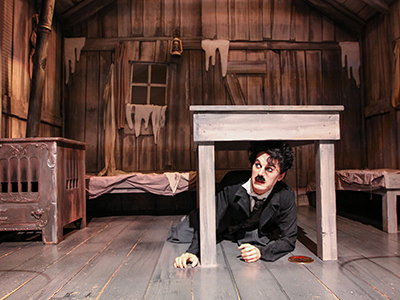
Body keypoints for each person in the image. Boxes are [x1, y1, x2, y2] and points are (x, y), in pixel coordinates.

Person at [172, 141, 297, 269]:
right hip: (222, 223)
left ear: (281, 176)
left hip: (251, 230)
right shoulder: (231, 183)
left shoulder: (286, 195)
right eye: (257, 165)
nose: (260, 173)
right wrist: (193, 252)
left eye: (269, 169)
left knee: (255, 238)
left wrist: (261, 252)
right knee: (181, 233)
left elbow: (289, 238)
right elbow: (212, 220)